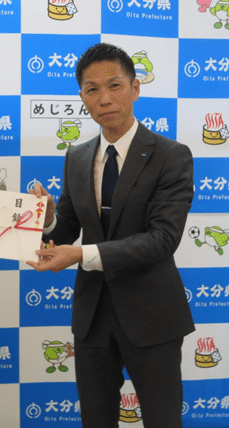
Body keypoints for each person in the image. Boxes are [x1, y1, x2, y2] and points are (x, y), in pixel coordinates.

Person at [27, 43, 195, 428]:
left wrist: (81, 255)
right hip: (93, 315)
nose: (104, 99)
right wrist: (48, 220)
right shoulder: (77, 156)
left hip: (152, 314)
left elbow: (162, 239)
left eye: (114, 85)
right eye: (92, 89)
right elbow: (67, 228)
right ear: (82, 96)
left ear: (135, 88)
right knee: (96, 419)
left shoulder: (171, 155)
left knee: (163, 419)